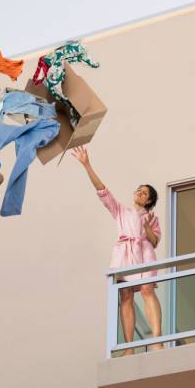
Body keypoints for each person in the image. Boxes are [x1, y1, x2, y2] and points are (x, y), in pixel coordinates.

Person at [71, 146, 163, 355]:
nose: (140, 193)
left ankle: (157, 340)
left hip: (144, 252)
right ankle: (129, 347)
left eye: (144, 193)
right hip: (124, 255)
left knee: (148, 290)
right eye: (139, 190)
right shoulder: (122, 211)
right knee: (127, 296)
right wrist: (86, 164)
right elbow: (103, 190)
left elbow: (155, 240)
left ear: (148, 200)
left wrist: (147, 227)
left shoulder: (152, 217)